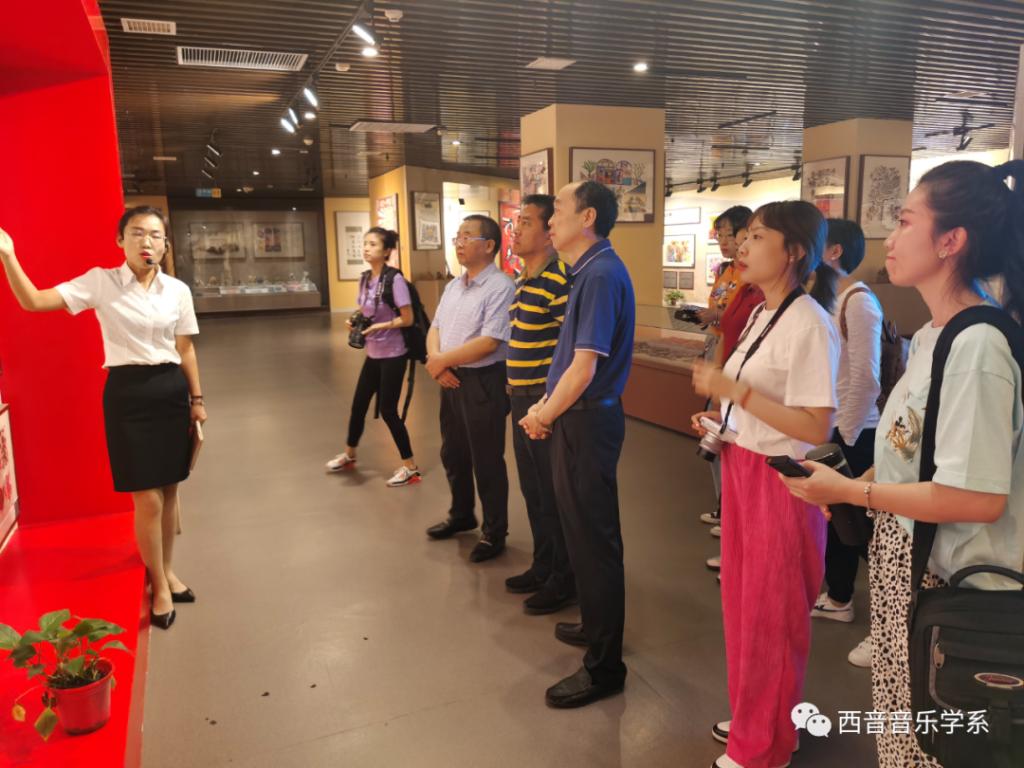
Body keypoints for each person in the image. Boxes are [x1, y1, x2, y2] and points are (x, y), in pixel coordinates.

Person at [781, 160, 1024, 768]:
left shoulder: (978, 346)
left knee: (934, 743)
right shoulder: (935, 335)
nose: (890, 239)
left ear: (951, 240)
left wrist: (855, 494)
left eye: (906, 221)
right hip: (908, 571)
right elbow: (917, 455)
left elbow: (976, 498)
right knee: (904, 732)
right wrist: (856, 481)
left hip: (952, 588)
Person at [0, 207, 206, 630]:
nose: (147, 242)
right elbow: (34, 301)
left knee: (170, 491)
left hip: (171, 392)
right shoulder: (101, 282)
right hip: (128, 396)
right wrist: (8, 255)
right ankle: (158, 585)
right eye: (137, 233)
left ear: (165, 243)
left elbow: (184, 348)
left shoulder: (177, 291)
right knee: (147, 497)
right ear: (120, 240)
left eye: (155, 235)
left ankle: (167, 570)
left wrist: (197, 399)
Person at [690, 200, 839, 768]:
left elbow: (814, 425)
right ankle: (762, 718)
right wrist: (723, 417)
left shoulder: (809, 323)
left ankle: (763, 746)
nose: (743, 246)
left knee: (772, 615)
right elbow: (759, 401)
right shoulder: (761, 311)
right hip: (744, 464)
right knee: (745, 607)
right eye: (745, 235)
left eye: (756, 236)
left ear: (794, 251)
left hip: (782, 481)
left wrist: (737, 394)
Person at [519, 180, 635, 708]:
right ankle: (594, 624)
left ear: (587, 217)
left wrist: (543, 413)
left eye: (558, 210)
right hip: (576, 419)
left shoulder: (601, 274)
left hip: (588, 423)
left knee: (594, 541)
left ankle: (605, 667)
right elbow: (570, 362)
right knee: (581, 533)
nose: (549, 221)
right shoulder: (586, 271)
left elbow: (584, 368)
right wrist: (547, 408)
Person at [810, 219, 882, 670]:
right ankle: (838, 595)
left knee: (856, 526)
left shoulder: (859, 301)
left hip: (857, 431)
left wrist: (845, 434)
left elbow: (866, 378)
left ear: (833, 251)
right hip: (839, 428)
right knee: (837, 520)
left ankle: (847, 600)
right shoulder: (832, 300)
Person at [425, 215, 516, 563]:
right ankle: (461, 514)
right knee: (453, 452)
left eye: (467, 237)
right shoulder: (453, 286)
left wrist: (440, 361)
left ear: (489, 245)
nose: (459, 243)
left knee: (486, 459)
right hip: (450, 378)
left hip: (483, 381)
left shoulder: (501, 287)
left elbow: (490, 341)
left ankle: (495, 532)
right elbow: (435, 327)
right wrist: (439, 363)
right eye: (457, 237)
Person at [504, 194, 577, 614]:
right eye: (517, 222)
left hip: (543, 402)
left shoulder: (558, 280)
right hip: (520, 399)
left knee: (552, 493)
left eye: (527, 222)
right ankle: (543, 564)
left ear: (549, 233)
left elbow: (569, 351)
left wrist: (547, 408)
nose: (516, 229)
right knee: (533, 490)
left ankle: (564, 578)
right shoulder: (524, 279)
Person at [325, 227, 420, 487]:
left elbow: (407, 318)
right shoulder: (366, 278)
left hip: (394, 354)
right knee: (358, 406)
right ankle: (350, 454)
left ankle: (411, 467)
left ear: (387, 251)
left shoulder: (395, 279)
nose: (366, 248)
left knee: (388, 411)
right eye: (365, 243)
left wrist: (381, 326)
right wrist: (355, 320)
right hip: (373, 353)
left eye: (373, 244)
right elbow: (365, 309)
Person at [700, 207, 754, 545]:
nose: (726, 242)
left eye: (729, 235)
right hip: (721, 351)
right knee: (715, 431)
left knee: (728, 435)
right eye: (719, 235)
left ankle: (731, 512)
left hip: (735, 364)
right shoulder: (727, 271)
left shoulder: (754, 286)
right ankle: (726, 507)